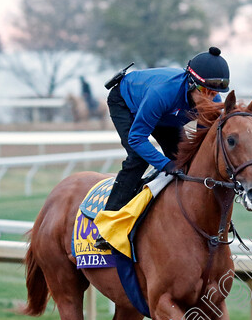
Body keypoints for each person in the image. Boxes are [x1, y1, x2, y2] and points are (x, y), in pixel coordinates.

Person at [95, 47, 230, 250]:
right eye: (205, 91)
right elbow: (137, 139)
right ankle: (109, 227)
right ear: (191, 83)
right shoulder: (162, 93)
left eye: (215, 93)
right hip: (126, 102)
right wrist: (166, 165)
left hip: (166, 114)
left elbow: (202, 145)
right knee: (138, 158)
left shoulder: (211, 99)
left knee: (186, 160)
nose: (210, 98)